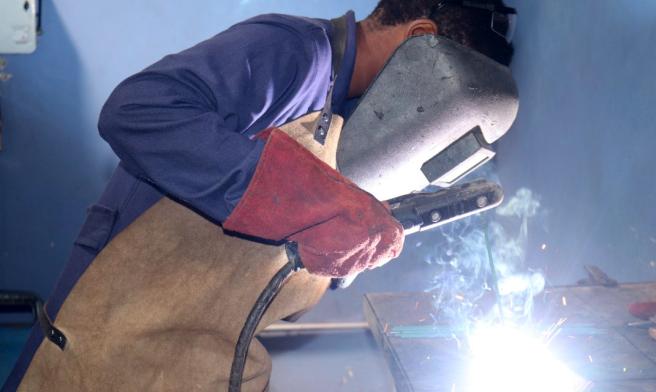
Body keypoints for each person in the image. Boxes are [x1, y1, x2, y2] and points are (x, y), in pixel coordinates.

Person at [3, 1, 516, 390]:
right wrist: (314, 206)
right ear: (420, 41)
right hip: (100, 359)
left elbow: (272, 280)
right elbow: (136, 110)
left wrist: (345, 249)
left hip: (204, 369)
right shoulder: (295, 54)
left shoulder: (352, 131)